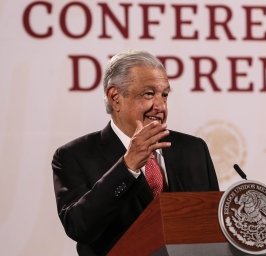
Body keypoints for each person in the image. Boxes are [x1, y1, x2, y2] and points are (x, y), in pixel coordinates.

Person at [52, 51, 219, 255]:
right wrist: (128, 166)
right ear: (115, 98)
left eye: (164, 95)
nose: (160, 106)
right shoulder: (74, 156)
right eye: (149, 94)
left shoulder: (193, 149)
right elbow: (79, 227)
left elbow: (213, 226)